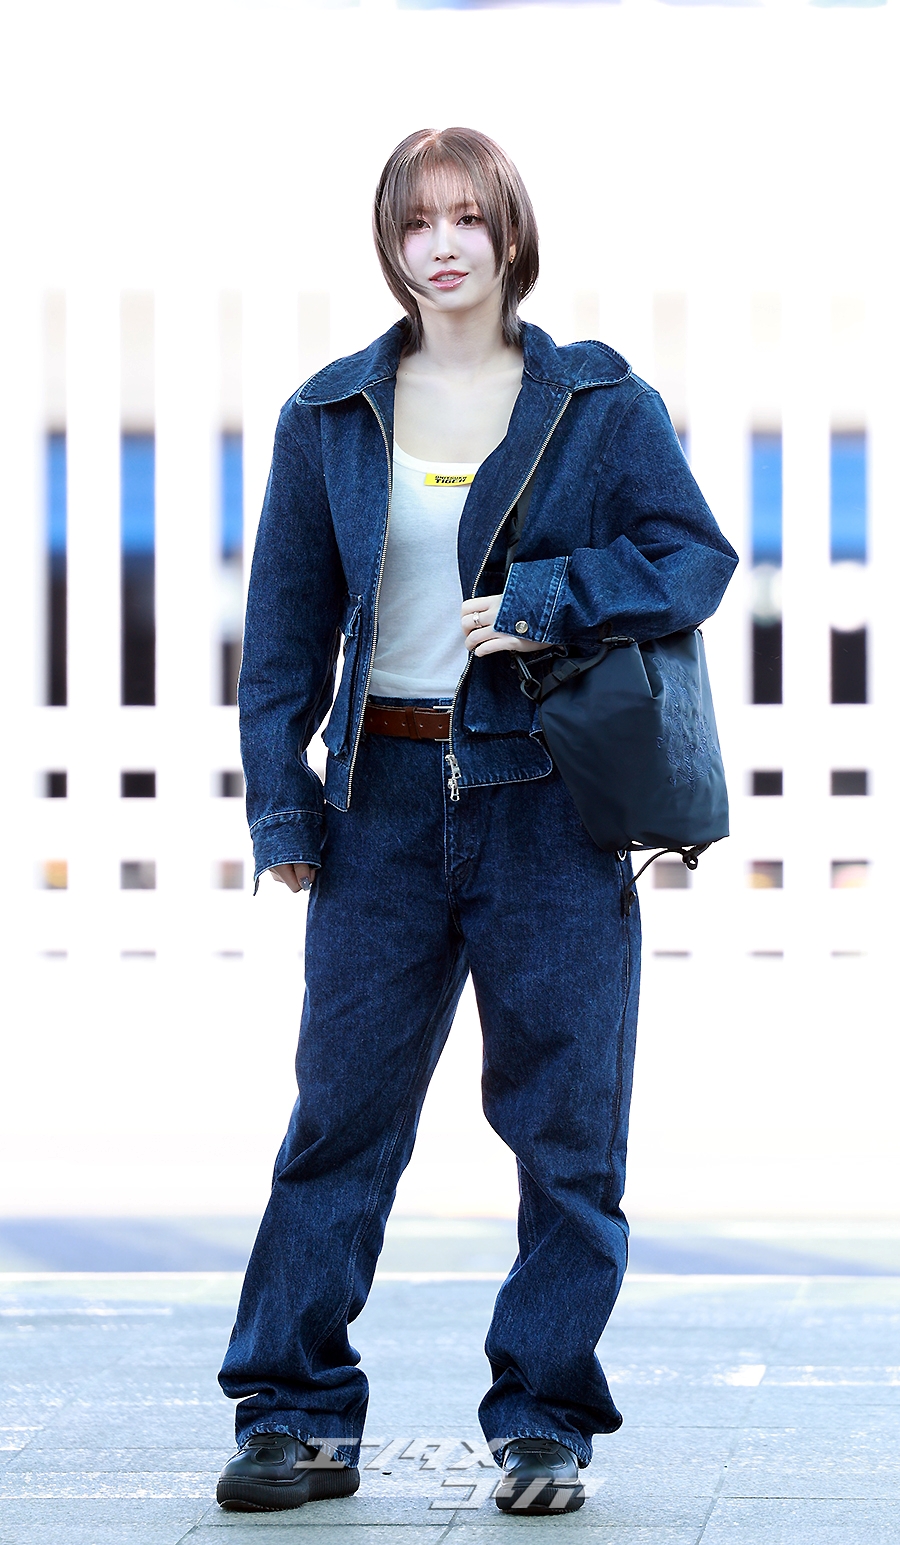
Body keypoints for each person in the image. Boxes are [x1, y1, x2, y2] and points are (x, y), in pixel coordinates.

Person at [216, 126, 737, 1516]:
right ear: (390, 244)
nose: (440, 245)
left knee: (568, 1132)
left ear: (510, 232)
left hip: (548, 804)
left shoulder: (597, 403)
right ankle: (293, 1413)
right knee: (341, 1118)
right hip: (381, 800)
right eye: (414, 222)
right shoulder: (330, 414)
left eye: (465, 217)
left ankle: (545, 1421)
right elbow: (281, 641)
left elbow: (694, 559)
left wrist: (549, 601)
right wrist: (285, 809)